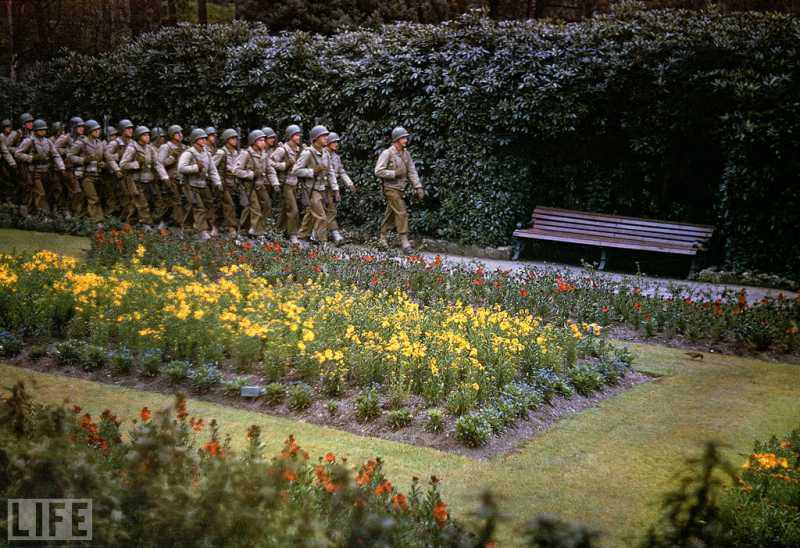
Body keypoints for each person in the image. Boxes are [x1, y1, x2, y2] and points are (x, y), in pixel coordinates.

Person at [374, 126, 424, 254]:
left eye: (406, 137)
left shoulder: (406, 154)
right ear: (397, 139)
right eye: (403, 138)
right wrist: (394, 173)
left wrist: (418, 186)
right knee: (402, 212)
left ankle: (382, 237)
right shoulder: (387, 153)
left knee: (391, 213)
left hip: (400, 189)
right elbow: (378, 171)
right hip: (390, 188)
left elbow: (412, 171)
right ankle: (404, 241)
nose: (406, 140)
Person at [294, 125, 337, 244]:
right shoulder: (307, 153)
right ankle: (322, 243)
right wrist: (312, 171)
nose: (326, 138)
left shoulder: (325, 153)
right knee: (321, 217)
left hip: (322, 188)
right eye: (323, 136)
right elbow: (296, 170)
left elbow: (330, 171)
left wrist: (335, 188)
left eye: (326, 136)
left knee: (310, 215)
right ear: (315, 139)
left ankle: (302, 238)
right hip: (311, 190)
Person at [14, 119, 66, 215]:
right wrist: (31, 158)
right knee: (40, 193)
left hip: (46, 172)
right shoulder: (29, 140)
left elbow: (55, 155)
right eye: (41, 130)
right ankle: (41, 214)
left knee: (46, 193)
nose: (43, 131)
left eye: (44, 130)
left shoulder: (48, 141)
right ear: (35, 130)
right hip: (33, 172)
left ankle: (33, 213)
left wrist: (61, 167)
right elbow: (17, 153)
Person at [119, 126, 168, 227]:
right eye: (144, 135)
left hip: (149, 180)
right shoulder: (132, 148)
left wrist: (165, 177)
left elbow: (157, 164)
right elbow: (122, 164)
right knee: (142, 204)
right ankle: (146, 224)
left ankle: (129, 224)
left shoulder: (150, 148)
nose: (148, 137)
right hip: (136, 181)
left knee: (141, 203)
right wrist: (136, 164)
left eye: (148, 135)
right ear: (138, 136)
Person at [178, 128, 222, 240]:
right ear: (194, 140)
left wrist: (217, 182)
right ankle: (202, 231)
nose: (203, 140)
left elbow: (212, 170)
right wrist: (196, 168)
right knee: (199, 208)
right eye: (200, 138)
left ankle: (187, 227)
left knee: (209, 206)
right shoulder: (189, 153)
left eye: (204, 138)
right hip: (190, 185)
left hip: (203, 184)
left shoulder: (206, 153)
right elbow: (181, 168)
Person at [233, 129, 279, 237]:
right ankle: (255, 231)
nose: (264, 142)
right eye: (261, 140)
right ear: (254, 142)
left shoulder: (264, 154)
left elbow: (270, 170)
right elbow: (235, 170)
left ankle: (258, 228)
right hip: (248, 186)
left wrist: (275, 183)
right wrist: (250, 174)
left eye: (264, 140)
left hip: (260, 185)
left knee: (267, 205)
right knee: (255, 208)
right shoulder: (246, 154)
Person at [68, 119, 106, 225]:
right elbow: (70, 156)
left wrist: (104, 163)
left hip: (97, 174)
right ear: (89, 131)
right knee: (93, 198)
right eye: (95, 129)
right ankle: (97, 221)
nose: (98, 131)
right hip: (84, 175)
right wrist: (84, 160)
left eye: (98, 129)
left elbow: (107, 157)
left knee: (86, 198)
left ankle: (79, 218)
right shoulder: (81, 143)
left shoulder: (100, 143)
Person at [272, 124, 304, 244]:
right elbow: (270, 162)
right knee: (293, 210)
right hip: (285, 183)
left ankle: (278, 230)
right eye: (296, 135)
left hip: (295, 183)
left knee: (286, 208)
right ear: (290, 136)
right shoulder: (282, 149)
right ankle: (292, 235)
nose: (298, 136)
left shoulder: (299, 149)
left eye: (299, 134)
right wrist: (284, 165)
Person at [325, 132, 356, 246]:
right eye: (334, 142)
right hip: (322, 187)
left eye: (337, 142)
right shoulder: (323, 155)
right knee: (323, 211)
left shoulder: (336, 157)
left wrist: (349, 183)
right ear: (327, 143)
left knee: (330, 211)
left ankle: (332, 234)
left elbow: (341, 171)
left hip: (332, 187)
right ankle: (332, 234)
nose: (336, 144)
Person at [158, 124, 188, 229]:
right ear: (171, 135)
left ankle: (179, 221)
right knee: (173, 201)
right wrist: (172, 157)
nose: (180, 135)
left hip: (183, 178)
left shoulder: (184, 147)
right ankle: (171, 222)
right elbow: (160, 163)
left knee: (184, 201)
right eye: (177, 133)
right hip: (171, 178)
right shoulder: (166, 147)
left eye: (181, 132)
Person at [213, 128, 241, 237]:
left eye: (236, 138)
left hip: (232, 183)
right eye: (232, 138)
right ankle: (231, 228)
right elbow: (212, 167)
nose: (235, 140)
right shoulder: (221, 152)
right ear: (226, 139)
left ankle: (215, 226)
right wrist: (217, 181)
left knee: (221, 206)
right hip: (222, 183)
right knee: (230, 205)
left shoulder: (236, 152)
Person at [105, 119, 135, 220]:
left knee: (129, 196)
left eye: (131, 128)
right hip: (116, 174)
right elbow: (108, 157)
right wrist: (117, 169)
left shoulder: (132, 142)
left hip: (128, 173)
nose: (131, 130)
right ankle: (111, 218)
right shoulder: (115, 143)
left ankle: (124, 219)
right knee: (115, 196)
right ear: (122, 130)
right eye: (128, 128)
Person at [0, 119, 17, 204]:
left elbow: (5, 151)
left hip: (9, 159)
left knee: (9, 178)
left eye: (9, 126)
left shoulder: (15, 134)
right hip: (2, 160)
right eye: (6, 127)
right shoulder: (1, 136)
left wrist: (12, 163)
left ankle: (9, 198)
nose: (8, 129)